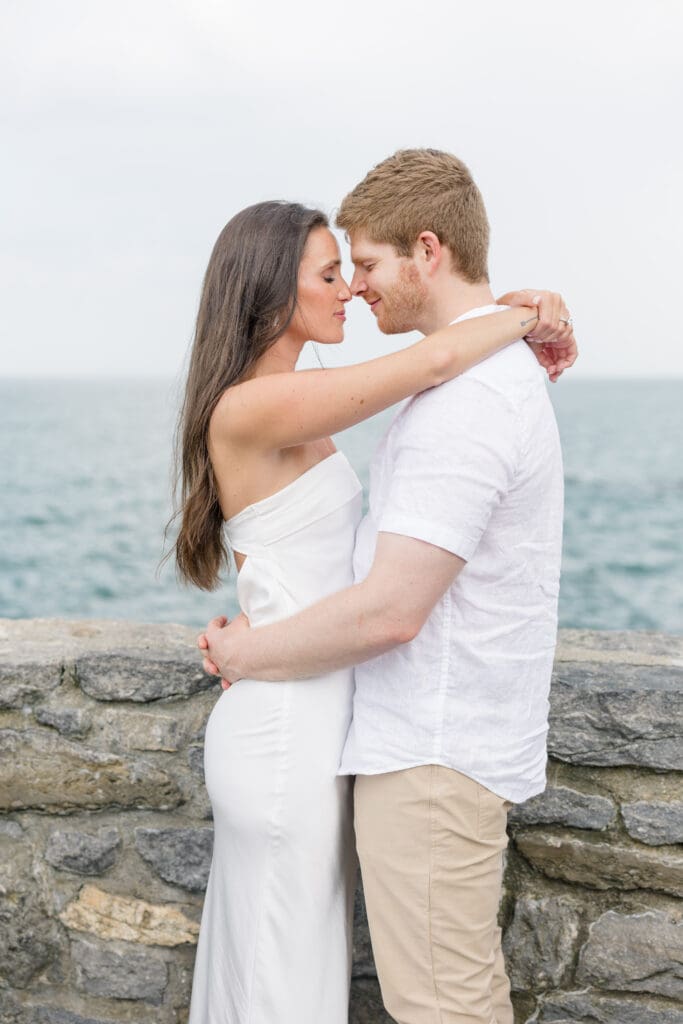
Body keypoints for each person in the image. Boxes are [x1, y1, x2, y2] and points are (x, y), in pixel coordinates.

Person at [199, 150, 574, 1024]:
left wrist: (519, 315)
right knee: (279, 966)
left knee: (307, 967)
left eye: (357, 268)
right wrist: (519, 317)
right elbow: (430, 363)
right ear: (269, 290)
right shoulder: (253, 407)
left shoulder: (326, 396)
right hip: (290, 721)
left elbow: (440, 364)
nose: (351, 290)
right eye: (332, 273)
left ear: (427, 249)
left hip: (345, 722)